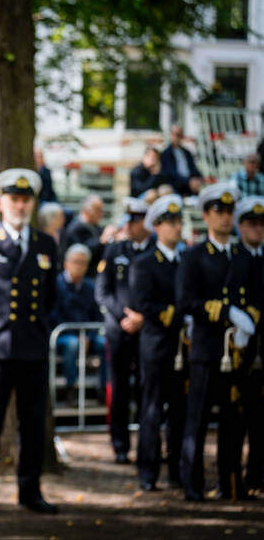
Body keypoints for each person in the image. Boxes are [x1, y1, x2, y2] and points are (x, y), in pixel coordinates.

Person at [0, 169, 59, 516]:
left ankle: (30, 491)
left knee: (32, 424)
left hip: (32, 345)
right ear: (1, 203)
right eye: (14, 199)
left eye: (25, 199)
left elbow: (50, 296)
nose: (20, 205)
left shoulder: (46, 244)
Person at [177, 183, 259, 501]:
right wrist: (227, 312)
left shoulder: (243, 256)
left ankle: (230, 484)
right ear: (206, 216)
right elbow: (186, 301)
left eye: (228, 212)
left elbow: (256, 295)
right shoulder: (194, 256)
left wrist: (249, 317)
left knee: (233, 422)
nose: (225, 218)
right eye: (218, 212)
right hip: (207, 350)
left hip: (236, 353)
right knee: (196, 421)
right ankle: (192, 484)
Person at [130, 195, 186, 491]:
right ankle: (148, 472)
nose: (178, 228)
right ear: (158, 227)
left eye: (179, 222)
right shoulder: (145, 263)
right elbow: (144, 303)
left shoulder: (187, 259)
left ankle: (177, 470)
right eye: (172, 223)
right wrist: (181, 315)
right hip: (157, 345)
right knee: (152, 411)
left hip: (183, 347)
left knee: (179, 411)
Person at [94, 196, 152, 464]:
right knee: (119, 391)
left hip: (148, 331)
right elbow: (102, 292)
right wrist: (123, 316)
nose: (129, 225)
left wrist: (143, 318)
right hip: (119, 331)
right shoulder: (114, 250)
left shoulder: (154, 250)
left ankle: (147, 446)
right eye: (128, 220)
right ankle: (120, 446)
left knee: (146, 390)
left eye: (135, 220)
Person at [233, 196, 264, 491]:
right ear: (241, 226)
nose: (258, 229)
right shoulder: (234, 257)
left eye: (261, 224)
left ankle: (258, 474)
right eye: (252, 223)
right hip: (239, 350)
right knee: (239, 415)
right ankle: (234, 480)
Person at [51, 244, 105, 405]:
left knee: (105, 344)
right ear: (66, 263)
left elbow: (97, 317)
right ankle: (71, 388)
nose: (78, 266)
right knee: (72, 344)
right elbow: (53, 316)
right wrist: (78, 336)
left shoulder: (90, 287)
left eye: (82, 263)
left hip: (87, 336)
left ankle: (104, 388)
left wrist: (88, 336)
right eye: (75, 262)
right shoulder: (56, 285)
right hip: (63, 336)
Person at [61, 194, 117, 276]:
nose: (102, 214)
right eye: (98, 210)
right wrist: (101, 240)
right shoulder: (74, 229)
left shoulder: (96, 227)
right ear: (87, 211)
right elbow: (79, 252)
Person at [160, 125, 204, 196]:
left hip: (190, 184)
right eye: (177, 135)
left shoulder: (187, 152)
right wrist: (188, 181)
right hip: (176, 185)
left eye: (181, 135)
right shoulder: (166, 153)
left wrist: (199, 179)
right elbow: (171, 173)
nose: (179, 137)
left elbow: (193, 168)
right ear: (171, 135)